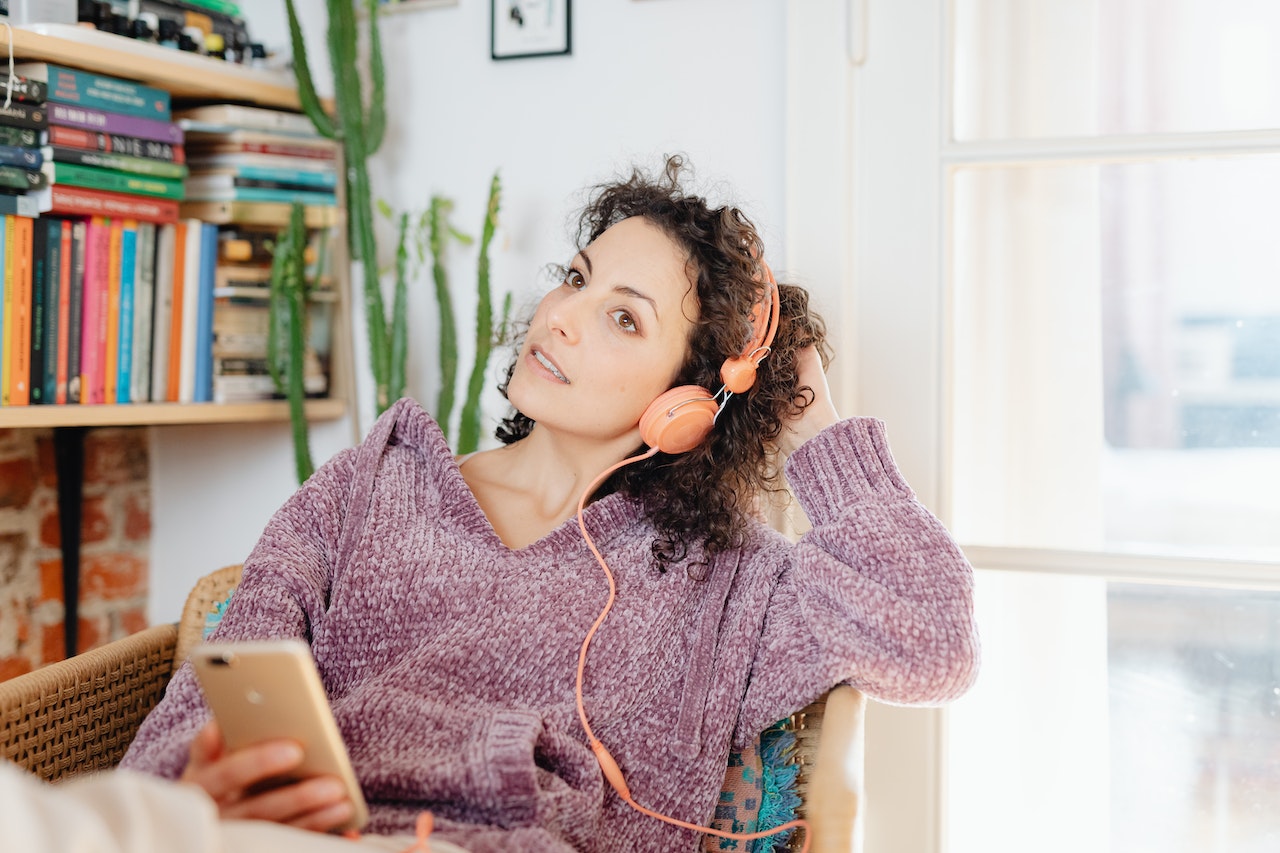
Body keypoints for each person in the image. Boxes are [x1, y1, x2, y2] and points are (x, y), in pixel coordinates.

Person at [120, 155, 980, 852]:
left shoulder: (730, 583)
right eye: (576, 278)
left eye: (625, 320)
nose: (563, 317)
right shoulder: (372, 482)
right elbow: (205, 697)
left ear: (689, 400)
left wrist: (815, 426)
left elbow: (936, 646)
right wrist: (187, 800)